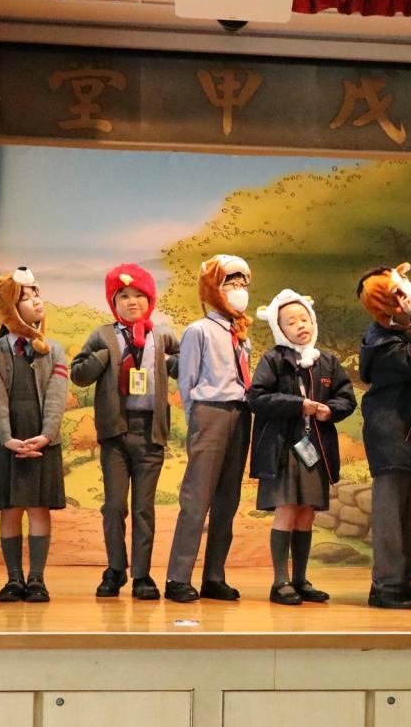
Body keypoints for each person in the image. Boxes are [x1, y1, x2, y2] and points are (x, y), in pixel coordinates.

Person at [71, 263, 180, 601]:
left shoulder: (162, 335)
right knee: (115, 506)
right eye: (124, 296)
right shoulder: (103, 336)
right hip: (115, 434)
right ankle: (115, 569)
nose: (132, 302)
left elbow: (184, 366)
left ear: (150, 300)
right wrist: (103, 357)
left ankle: (142, 575)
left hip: (150, 433)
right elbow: (78, 375)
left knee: (144, 508)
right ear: (113, 302)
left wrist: (171, 363)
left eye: (139, 295)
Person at [248, 288, 357, 605]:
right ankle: (280, 582)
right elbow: (257, 398)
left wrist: (330, 410)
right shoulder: (273, 359)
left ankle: (300, 579)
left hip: (314, 449)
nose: (300, 325)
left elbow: (346, 397)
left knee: (307, 512)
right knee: (286, 509)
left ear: (313, 322)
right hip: (282, 449)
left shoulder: (327, 361)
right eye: (291, 321)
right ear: (279, 328)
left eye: (304, 319)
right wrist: (298, 405)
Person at [166, 255, 254, 603]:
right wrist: (197, 420)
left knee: (227, 500)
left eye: (243, 283)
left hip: (240, 412)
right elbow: (187, 380)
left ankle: (214, 576)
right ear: (214, 288)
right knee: (196, 497)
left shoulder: (241, 335)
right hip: (210, 412)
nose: (239, 289)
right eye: (231, 283)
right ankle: (177, 577)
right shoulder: (198, 330)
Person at [0, 267, 70, 603]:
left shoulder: (54, 350)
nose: (37, 302)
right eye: (27, 297)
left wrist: (45, 436)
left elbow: (57, 398)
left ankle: (36, 579)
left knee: (38, 508)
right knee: (10, 509)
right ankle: (13, 579)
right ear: (9, 308)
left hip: (43, 442)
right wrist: (7, 438)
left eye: (37, 294)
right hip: (7, 443)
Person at [357, 263, 411, 610]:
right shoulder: (382, 344)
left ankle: (405, 578)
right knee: (390, 513)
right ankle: (386, 585)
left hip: (407, 435)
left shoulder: (396, 336)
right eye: (401, 288)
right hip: (391, 435)